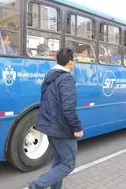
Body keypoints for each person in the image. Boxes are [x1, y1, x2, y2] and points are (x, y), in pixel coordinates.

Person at [27, 48, 83, 189]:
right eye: (74, 61)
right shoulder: (66, 77)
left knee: (59, 161)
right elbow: (68, 108)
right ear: (70, 62)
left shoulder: (51, 75)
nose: (74, 64)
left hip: (49, 125)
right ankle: (36, 185)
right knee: (68, 164)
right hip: (62, 127)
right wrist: (77, 127)